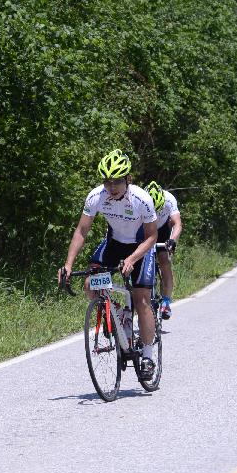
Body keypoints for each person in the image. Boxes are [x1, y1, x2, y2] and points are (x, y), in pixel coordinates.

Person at [58, 149, 159, 378]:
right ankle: (113, 312)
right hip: (113, 244)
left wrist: (133, 259)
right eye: (107, 182)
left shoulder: (142, 199)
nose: (111, 188)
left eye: (116, 182)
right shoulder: (97, 197)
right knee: (89, 284)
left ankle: (147, 355)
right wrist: (68, 264)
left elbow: (153, 236)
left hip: (140, 246)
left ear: (128, 179)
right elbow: (82, 230)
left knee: (141, 297)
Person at [145, 181, 182, 320]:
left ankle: (166, 301)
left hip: (162, 230)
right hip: (144, 229)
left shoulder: (169, 199)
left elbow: (177, 223)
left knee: (165, 261)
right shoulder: (140, 198)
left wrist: (172, 240)